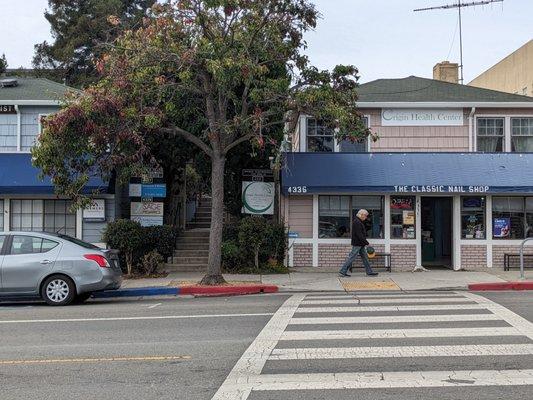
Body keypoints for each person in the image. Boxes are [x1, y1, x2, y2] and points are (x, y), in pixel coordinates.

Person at [339, 209, 378, 277]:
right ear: (361, 215)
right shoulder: (357, 222)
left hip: (360, 243)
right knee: (352, 257)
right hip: (357, 243)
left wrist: (364, 242)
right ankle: (343, 271)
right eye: (365, 216)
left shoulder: (358, 221)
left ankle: (369, 272)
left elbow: (360, 234)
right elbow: (359, 234)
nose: (366, 217)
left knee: (365, 257)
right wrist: (366, 243)